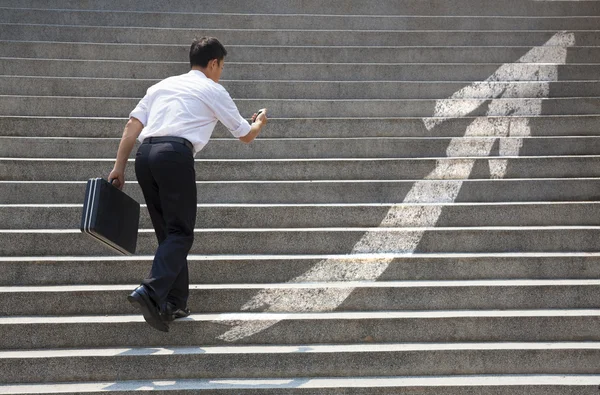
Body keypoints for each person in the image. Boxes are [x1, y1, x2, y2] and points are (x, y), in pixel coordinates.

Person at [107, 37, 268, 332]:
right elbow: (245, 135)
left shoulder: (162, 86)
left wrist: (119, 167)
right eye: (221, 66)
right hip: (173, 155)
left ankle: (174, 303)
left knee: (169, 233)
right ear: (213, 63)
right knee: (181, 233)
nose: (221, 72)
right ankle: (151, 290)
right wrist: (259, 123)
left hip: (144, 156)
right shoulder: (212, 88)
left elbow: (132, 126)